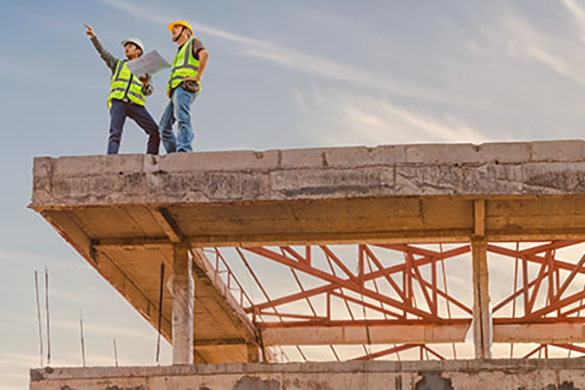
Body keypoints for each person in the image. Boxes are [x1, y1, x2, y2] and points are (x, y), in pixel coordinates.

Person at [84, 24, 160, 155]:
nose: (126, 48)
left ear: (138, 51)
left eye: (130, 46)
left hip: (136, 105)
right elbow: (104, 53)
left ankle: (151, 159)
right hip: (118, 103)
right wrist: (94, 38)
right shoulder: (118, 64)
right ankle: (111, 160)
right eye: (126, 46)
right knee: (115, 134)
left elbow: (149, 92)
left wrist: (146, 85)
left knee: (155, 132)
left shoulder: (146, 70)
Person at [160, 20, 210, 153]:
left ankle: (184, 151)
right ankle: (175, 155)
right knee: (164, 127)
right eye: (172, 29)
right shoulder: (179, 52)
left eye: (176, 27)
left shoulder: (193, 43)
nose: (173, 30)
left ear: (186, 31)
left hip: (185, 88)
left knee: (183, 119)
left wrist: (197, 76)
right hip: (176, 91)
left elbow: (204, 54)